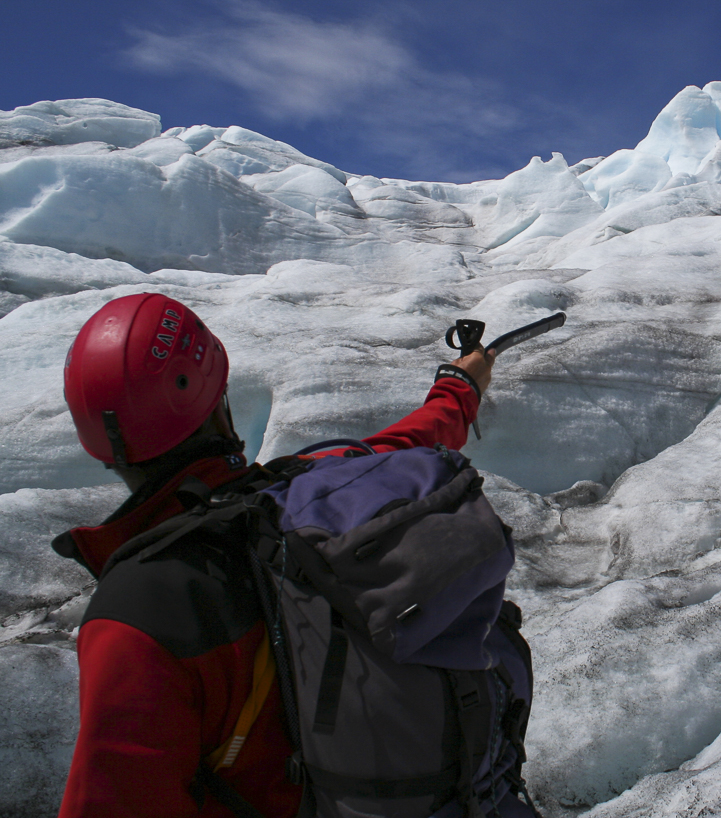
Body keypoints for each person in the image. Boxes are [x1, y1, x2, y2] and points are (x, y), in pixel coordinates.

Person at [53, 292, 517, 818]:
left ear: (97, 443)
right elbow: (414, 439)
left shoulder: (137, 615)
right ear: (218, 397)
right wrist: (460, 385)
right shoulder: (314, 490)